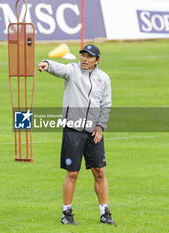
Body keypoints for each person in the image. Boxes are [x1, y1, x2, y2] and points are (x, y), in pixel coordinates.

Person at [37, 44, 116, 225]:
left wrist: (100, 127)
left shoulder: (104, 78)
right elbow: (59, 68)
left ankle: (105, 213)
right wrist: (47, 64)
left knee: (100, 172)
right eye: (83, 55)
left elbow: (106, 105)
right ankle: (67, 213)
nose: (84, 59)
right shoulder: (73, 70)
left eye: (89, 57)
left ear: (97, 60)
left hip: (94, 133)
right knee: (73, 174)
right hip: (73, 130)